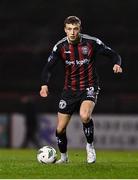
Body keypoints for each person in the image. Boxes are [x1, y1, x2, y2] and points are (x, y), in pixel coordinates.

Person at [40, 16, 122, 163]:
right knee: (60, 129)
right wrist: (44, 84)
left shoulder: (91, 42)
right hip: (69, 90)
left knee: (85, 116)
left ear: (79, 29)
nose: (72, 32)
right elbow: (48, 68)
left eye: (75, 29)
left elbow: (113, 54)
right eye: (69, 29)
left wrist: (116, 63)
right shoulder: (60, 46)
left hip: (89, 86)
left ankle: (90, 147)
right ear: (65, 30)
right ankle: (64, 158)